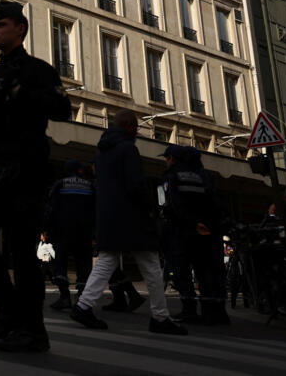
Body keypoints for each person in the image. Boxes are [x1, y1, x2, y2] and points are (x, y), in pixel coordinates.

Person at [0, 1, 71, 353]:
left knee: (23, 252)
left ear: (20, 29)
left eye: (2, 25)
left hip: (28, 168)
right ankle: (8, 311)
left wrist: (22, 94)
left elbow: (62, 108)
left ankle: (33, 330)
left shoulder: (37, 70)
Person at [69, 110, 187, 335]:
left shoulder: (102, 151)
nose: (137, 132)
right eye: (136, 128)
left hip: (109, 216)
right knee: (151, 265)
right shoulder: (128, 149)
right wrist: (150, 209)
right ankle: (160, 317)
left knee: (106, 261)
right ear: (130, 127)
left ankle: (84, 306)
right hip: (132, 217)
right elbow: (136, 185)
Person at [161, 144, 229, 325]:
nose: (166, 162)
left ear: (173, 159)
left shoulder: (172, 176)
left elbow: (174, 205)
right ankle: (213, 311)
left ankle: (189, 310)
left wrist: (189, 223)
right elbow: (213, 202)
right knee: (206, 272)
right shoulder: (203, 175)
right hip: (206, 232)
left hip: (181, 231)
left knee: (181, 272)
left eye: (166, 158)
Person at [45, 160, 95, 311]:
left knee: (60, 263)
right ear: (79, 170)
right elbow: (96, 209)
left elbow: (51, 208)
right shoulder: (90, 185)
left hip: (63, 231)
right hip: (84, 233)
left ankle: (64, 296)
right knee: (83, 264)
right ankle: (81, 298)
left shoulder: (60, 185)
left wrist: (47, 229)